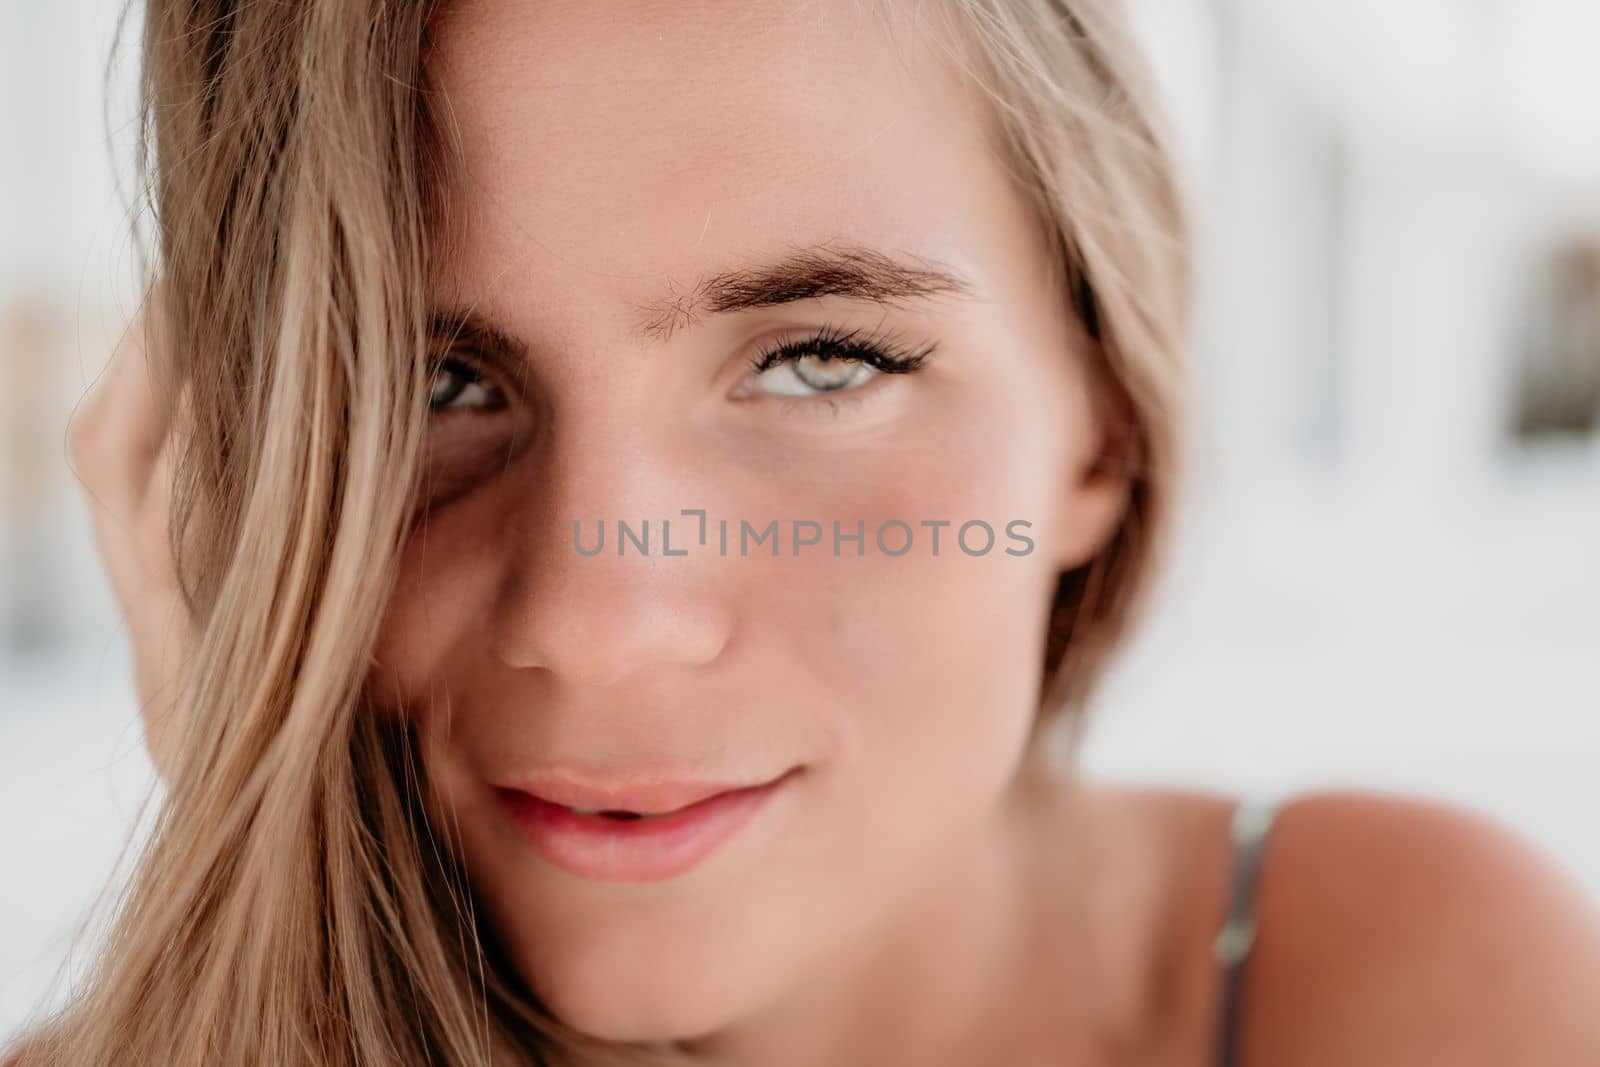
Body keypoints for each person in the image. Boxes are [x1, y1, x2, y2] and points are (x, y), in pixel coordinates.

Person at [12, 1, 1600, 1064]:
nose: (597, 617)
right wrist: (257, 837)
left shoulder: (1416, 987)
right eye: (434, 381)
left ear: (1101, 427)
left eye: (819, 360)